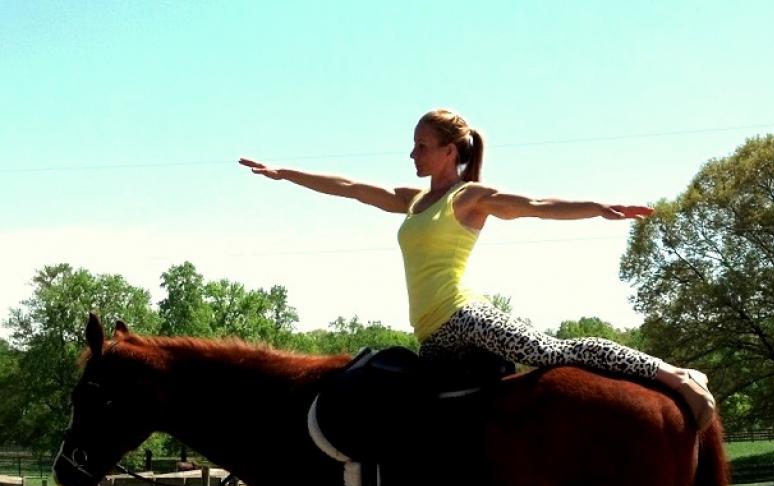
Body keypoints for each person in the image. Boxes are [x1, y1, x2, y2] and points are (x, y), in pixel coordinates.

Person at [239, 109, 715, 430]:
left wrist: (597, 206)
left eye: (421, 146)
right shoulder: (415, 200)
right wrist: (284, 173)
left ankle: (671, 374)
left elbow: (534, 204)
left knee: (549, 352)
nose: (412, 154)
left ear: (450, 150)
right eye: (413, 146)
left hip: (464, 315)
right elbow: (349, 186)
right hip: (433, 337)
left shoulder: (467, 199)